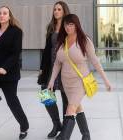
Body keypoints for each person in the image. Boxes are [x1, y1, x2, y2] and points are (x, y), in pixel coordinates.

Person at [48, 14, 112, 140]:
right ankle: (86, 135)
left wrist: (106, 81)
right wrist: (51, 81)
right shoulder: (62, 40)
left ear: (76, 25)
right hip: (66, 83)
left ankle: (64, 137)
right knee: (77, 108)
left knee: (70, 109)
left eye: (71, 24)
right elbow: (57, 63)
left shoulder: (84, 40)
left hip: (80, 82)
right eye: (66, 24)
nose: (68, 27)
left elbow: (95, 62)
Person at [0, 6, 29, 140]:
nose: (1, 15)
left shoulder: (16, 32)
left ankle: (24, 125)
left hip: (8, 74)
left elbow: (16, 53)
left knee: (12, 102)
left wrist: (5, 68)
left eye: (5, 13)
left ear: (9, 16)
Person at [37, 1, 70, 138]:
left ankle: (65, 129)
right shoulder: (51, 27)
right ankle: (56, 124)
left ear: (64, 11)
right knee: (45, 93)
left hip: (65, 67)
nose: (56, 11)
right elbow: (46, 49)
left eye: (59, 9)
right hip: (50, 66)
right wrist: (42, 68)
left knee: (65, 97)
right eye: (55, 9)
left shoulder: (69, 26)